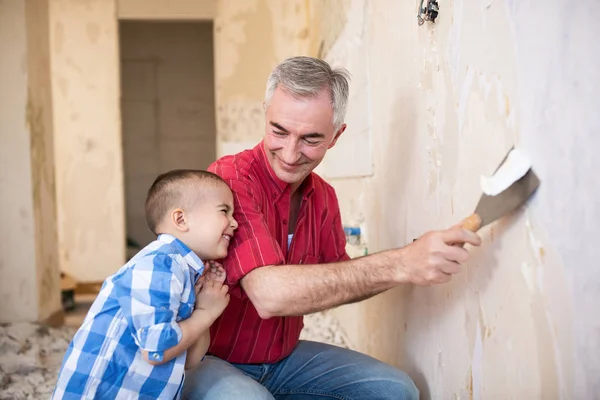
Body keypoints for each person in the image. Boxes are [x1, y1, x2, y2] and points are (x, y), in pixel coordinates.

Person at [182, 56, 481, 400]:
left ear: (337, 135)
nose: (291, 154)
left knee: (396, 390)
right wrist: (401, 262)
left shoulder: (324, 198)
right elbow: (269, 296)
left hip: (282, 360)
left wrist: (414, 261)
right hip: (210, 358)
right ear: (265, 115)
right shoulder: (229, 180)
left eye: (311, 139)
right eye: (279, 131)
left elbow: (342, 278)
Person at [53, 170, 238, 399]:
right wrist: (206, 313)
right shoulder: (160, 264)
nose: (235, 222)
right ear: (181, 219)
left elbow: (189, 360)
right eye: (224, 211)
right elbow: (157, 350)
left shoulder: (184, 272)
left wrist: (203, 308)